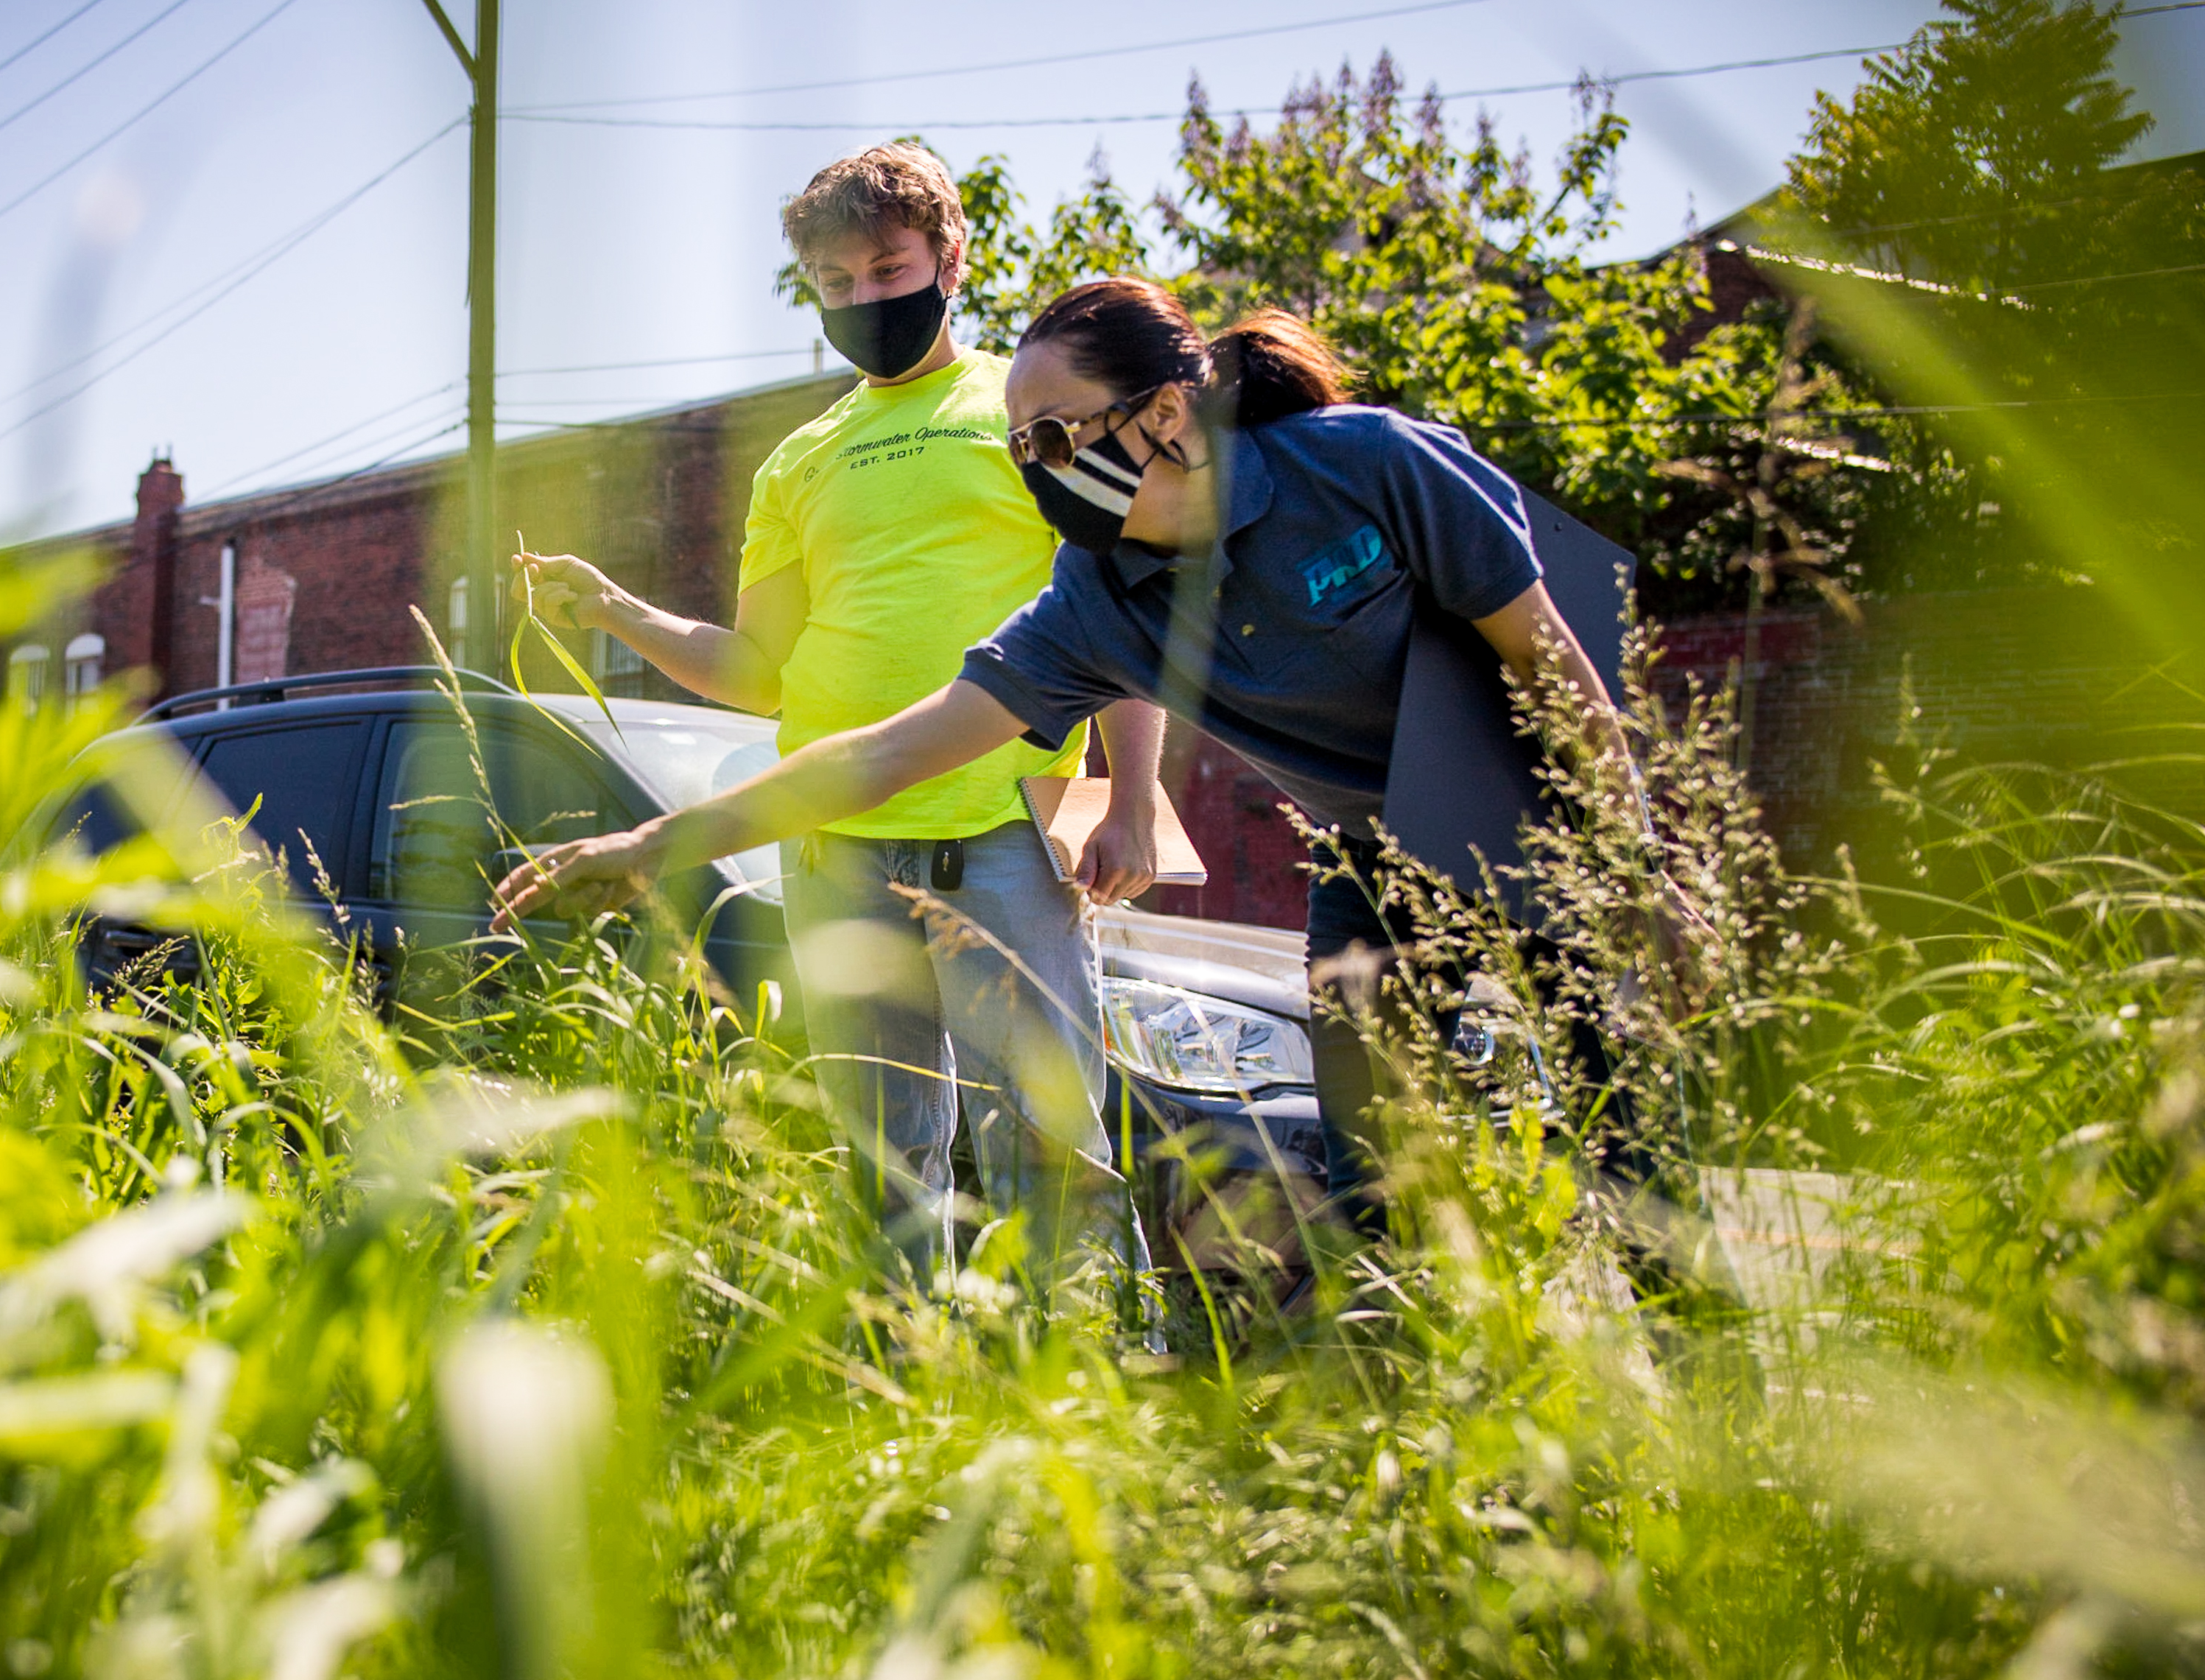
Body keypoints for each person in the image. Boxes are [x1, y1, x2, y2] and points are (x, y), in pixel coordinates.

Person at [496, 275, 1655, 1203]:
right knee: (1379, 1176)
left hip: (1534, 818)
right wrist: (657, 843)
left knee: (1630, 1140)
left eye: (1054, 438)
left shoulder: (1365, 468)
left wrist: (1638, 871)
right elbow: (882, 751)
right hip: (1370, 863)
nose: (1039, 473)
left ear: (1164, 413)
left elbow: (1552, 667)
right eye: (1021, 453)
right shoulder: (1097, 600)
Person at [508, 147, 1168, 1276]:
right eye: (835, 283)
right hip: (835, 854)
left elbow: (1118, 602)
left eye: (887, 267)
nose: (865, 299)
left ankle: (1091, 1392)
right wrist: (616, 612)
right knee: (887, 1162)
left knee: (1054, 1144)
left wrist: (1133, 798)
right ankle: (904, 1399)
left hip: (1003, 826)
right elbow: (762, 673)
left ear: (948, 258)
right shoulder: (797, 464)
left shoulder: (1025, 410)